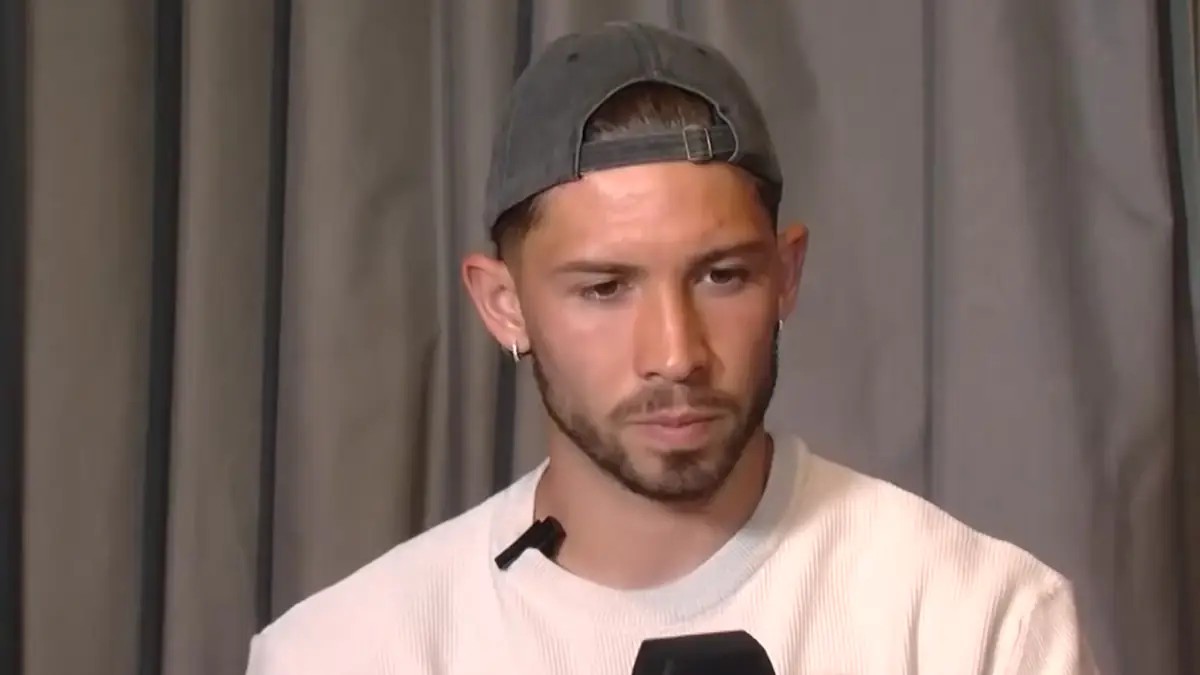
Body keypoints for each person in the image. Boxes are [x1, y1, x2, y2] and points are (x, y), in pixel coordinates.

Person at [245, 21, 1097, 674]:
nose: (676, 353)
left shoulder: (978, 623)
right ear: (505, 305)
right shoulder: (345, 652)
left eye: (722, 275)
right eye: (604, 288)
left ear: (786, 274)